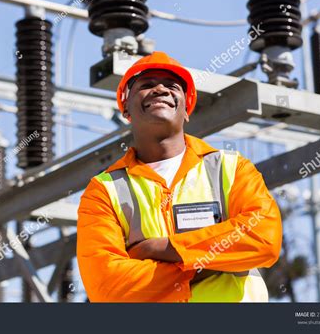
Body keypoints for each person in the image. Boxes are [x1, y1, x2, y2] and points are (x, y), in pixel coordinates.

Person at [76, 51, 282, 302]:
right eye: (147, 85)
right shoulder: (103, 191)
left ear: (187, 108)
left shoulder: (232, 168)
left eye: (172, 85)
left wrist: (161, 249)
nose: (160, 89)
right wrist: (209, 262)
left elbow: (263, 238)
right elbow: (107, 286)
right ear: (126, 108)